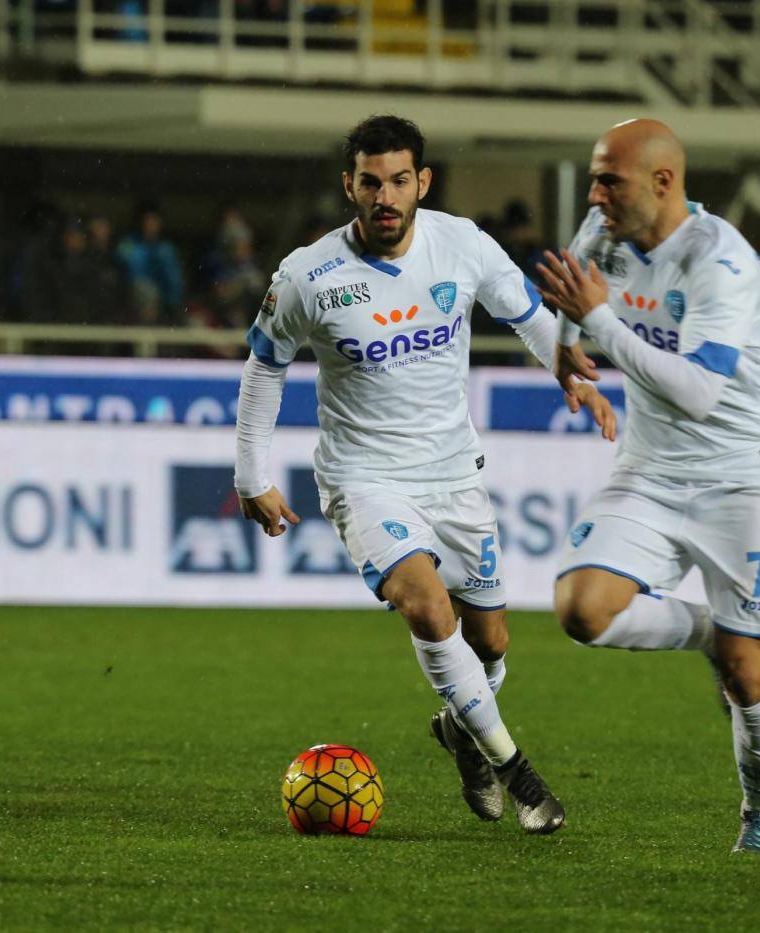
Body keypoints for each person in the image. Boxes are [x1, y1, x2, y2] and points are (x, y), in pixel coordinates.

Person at [233, 115, 615, 834]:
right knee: (429, 609)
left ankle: (460, 727)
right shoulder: (307, 275)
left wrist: (567, 367)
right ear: (349, 185)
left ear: (422, 183)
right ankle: (518, 772)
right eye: (370, 182)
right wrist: (252, 473)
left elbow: (525, 312)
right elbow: (264, 366)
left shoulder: (461, 244)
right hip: (365, 478)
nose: (385, 196)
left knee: (492, 642)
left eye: (399, 181)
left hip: (454, 477)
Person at [536, 119, 760, 854]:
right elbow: (573, 294)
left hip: (741, 478)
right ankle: (707, 630)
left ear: (663, 182)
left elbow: (697, 392)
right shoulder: (604, 229)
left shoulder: (723, 263)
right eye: (594, 177)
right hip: (652, 471)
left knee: (750, 677)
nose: (595, 194)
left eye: (609, 180)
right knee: (581, 610)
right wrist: (567, 353)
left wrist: (598, 321)